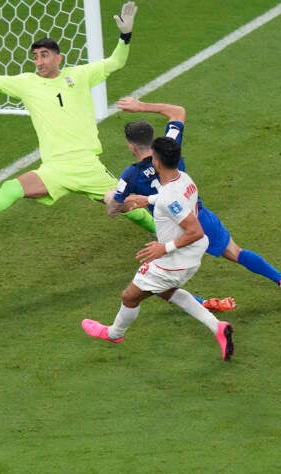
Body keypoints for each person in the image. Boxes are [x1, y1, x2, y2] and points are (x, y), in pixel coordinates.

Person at [0, 2, 154, 233]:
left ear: (59, 58)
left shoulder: (80, 75)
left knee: (127, 206)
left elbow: (116, 62)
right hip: (54, 168)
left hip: (86, 165)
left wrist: (125, 36)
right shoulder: (26, 84)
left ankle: (167, 234)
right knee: (13, 188)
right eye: (35, 57)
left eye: (44, 55)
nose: (39, 61)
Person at [106, 97, 281, 303]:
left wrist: (112, 197)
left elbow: (114, 209)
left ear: (132, 147)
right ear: (151, 139)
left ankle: (204, 304)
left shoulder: (130, 175)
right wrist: (142, 106)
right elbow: (178, 111)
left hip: (172, 234)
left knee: (155, 283)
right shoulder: (170, 148)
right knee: (236, 252)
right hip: (199, 217)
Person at [82, 137, 234, 361]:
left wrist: (165, 247)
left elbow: (196, 230)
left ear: (156, 162)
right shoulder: (184, 178)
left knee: (130, 297)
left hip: (175, 260)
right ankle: (218, 327)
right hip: (192, 254)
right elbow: (171, 200)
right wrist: (148, 199)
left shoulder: (168, 197)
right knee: (166, 292)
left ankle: (114, 334)